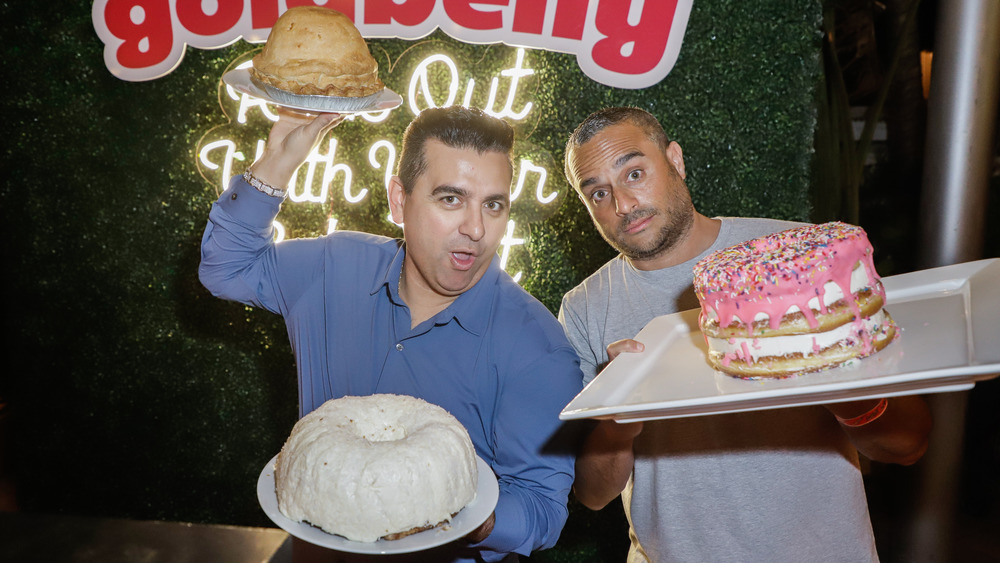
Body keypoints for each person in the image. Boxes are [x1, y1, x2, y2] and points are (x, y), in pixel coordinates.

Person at [199, 106, 583, 562]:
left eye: (493, 205)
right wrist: (277, 164)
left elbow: (542, 510)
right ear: (399, 200)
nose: (476, 229)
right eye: (450, 199)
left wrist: (463, 513)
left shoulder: (538, 350)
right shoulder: (334, 267)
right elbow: (226, 269)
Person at [557, 106, 932, 562]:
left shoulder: (802, 263)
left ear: (675, 159)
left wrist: (841, 386)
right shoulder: (585, 308)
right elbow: (594, 494)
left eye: (634, 173)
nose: (622, 205)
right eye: (597, 193)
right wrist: (618, 418)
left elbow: (908, 445)